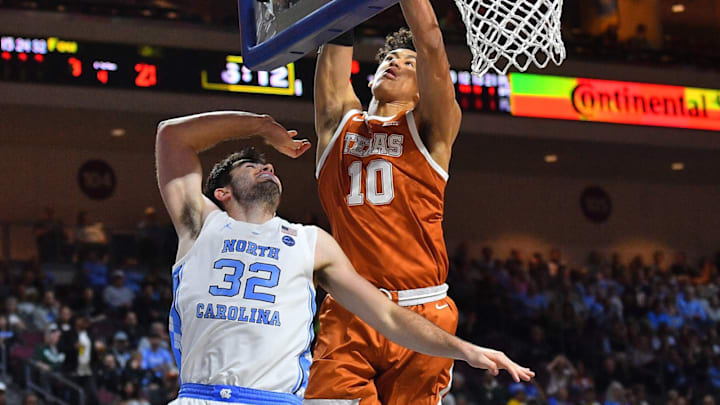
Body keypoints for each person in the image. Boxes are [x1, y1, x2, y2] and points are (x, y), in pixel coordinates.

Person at [155, 111, 533, 404]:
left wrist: (465, 348)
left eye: (268, 165)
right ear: (221, 192)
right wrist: (260, 127)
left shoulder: (310, 241)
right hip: (199, 394)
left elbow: (386, 315)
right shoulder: (200, 224)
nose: (267, 167)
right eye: (252, 166)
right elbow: (172, 136)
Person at [307, 0, 479, 403]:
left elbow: (431, 42)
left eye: (409, 63)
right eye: (390, 59)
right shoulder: (338, 123)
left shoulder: (432, 128)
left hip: (422, 308)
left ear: (425, 88)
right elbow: (335, 31)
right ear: (368, 79)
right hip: (352, 308)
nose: (396, 64)